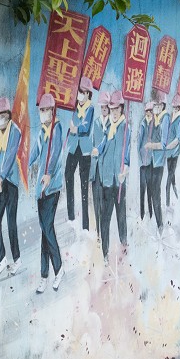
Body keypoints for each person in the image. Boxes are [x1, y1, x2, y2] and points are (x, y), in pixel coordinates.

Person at [28, 92, 66, 293]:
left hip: (52, 186)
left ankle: (58, 269)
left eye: (46, 110)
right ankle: (44, 275)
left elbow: (56, 151)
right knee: (44, 230)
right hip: (40, 188)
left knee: (47, 228)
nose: (43, 113)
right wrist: (25, 160)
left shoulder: (56, 129)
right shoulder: (42, 132)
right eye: (41, 110)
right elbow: (35, 152)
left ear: (53, 111)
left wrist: (49, 173)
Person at [91, 90, 130, 260]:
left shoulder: (125, 127)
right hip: (107, 180)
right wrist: (96, 150)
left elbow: (127, 152)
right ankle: (105, 253)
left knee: (121, 217)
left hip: (119, 180)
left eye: (116, 110)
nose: (114, 113)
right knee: (105, 218)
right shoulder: (110, 128)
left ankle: (124, 246)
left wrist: (125, 171)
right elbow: (103, 143)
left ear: (122, 109)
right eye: (111, 109)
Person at [0, 96, 23, 277]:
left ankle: (17, 260)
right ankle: (2, 259)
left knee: (11, 223)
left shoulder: (15, 131)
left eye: (4, 114)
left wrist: (2, 175)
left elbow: (10, 156)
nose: (1, 118)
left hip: (10, 183)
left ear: (9, 115)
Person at [64, 76, 95, 230]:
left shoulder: (91, 109)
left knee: (84, 186)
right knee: (68, 175)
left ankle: (85, 225)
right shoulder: (74, 108)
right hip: (73, 148)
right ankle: (71, 216)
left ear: (88, 94)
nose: (80, 95)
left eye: (83, 92)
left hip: (85, 151)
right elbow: (70, 127)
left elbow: (86, 127)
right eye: (79, 92)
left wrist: (76, 128)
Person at [141, 90, 170, 234]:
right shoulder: (155, 119)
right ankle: (156, 223)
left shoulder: (165, 119)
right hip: (152, 160)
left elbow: (163, 143)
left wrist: (151, 145)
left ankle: (160, 225)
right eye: (155, 106)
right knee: (152, 191)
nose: (156, 108)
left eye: (159, 105)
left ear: (163, 106)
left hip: (159, 162)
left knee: (156, 192)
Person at [89, 90, 111, 242]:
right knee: (96, 202)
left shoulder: (112, 124)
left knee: (104, 204)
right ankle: (98, 232)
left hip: (107, 170)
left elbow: (106, 143)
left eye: (105, 107)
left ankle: (104, 232)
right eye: (102, 107)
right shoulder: (96, 122)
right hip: (95, 168)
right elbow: (93, 142)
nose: (103, 110)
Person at [163, 92, 180, 208]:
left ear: (179, 108)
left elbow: (177, 139)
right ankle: (177, 196)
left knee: (168, 180)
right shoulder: (171, 118)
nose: (175, 109)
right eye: (174, 107)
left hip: (174, 152)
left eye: (176, 107)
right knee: (172, 179)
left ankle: (167, 205)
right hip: (168, 153)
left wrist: (168, 146)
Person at [137, 101, 155, 221]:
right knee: (142, 189)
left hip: (151, 161)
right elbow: (138, 143)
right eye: (147, 111)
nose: (149, 113)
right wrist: (139, 160)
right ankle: (142, 214)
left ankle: (151, 214)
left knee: (150, 189)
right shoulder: (143, 124)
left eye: (150, 111)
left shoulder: (155, 123)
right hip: (143, 161)